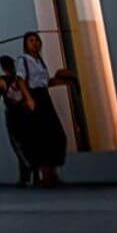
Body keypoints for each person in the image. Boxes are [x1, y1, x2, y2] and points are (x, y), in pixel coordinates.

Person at [17, 31, 74, 187]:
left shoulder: (40, 61)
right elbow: (20, 80)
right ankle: (45, 175)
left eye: (36, 40)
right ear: (26, 44)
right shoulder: (24, 60)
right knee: (41, 136)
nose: (35, 43)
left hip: (44, 96)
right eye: (31, 40)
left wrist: (61, 82)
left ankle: (52, 173)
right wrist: (29, 98)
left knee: (56, 135)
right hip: (34, 98)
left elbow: (44, 82)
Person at [0, 55, 35, 186]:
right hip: (25, 111)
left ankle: (26, 171)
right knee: (28, 142)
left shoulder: (2, 80)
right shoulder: (20, 77)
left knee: (17, 144)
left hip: (13, 113)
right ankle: (31, 173)